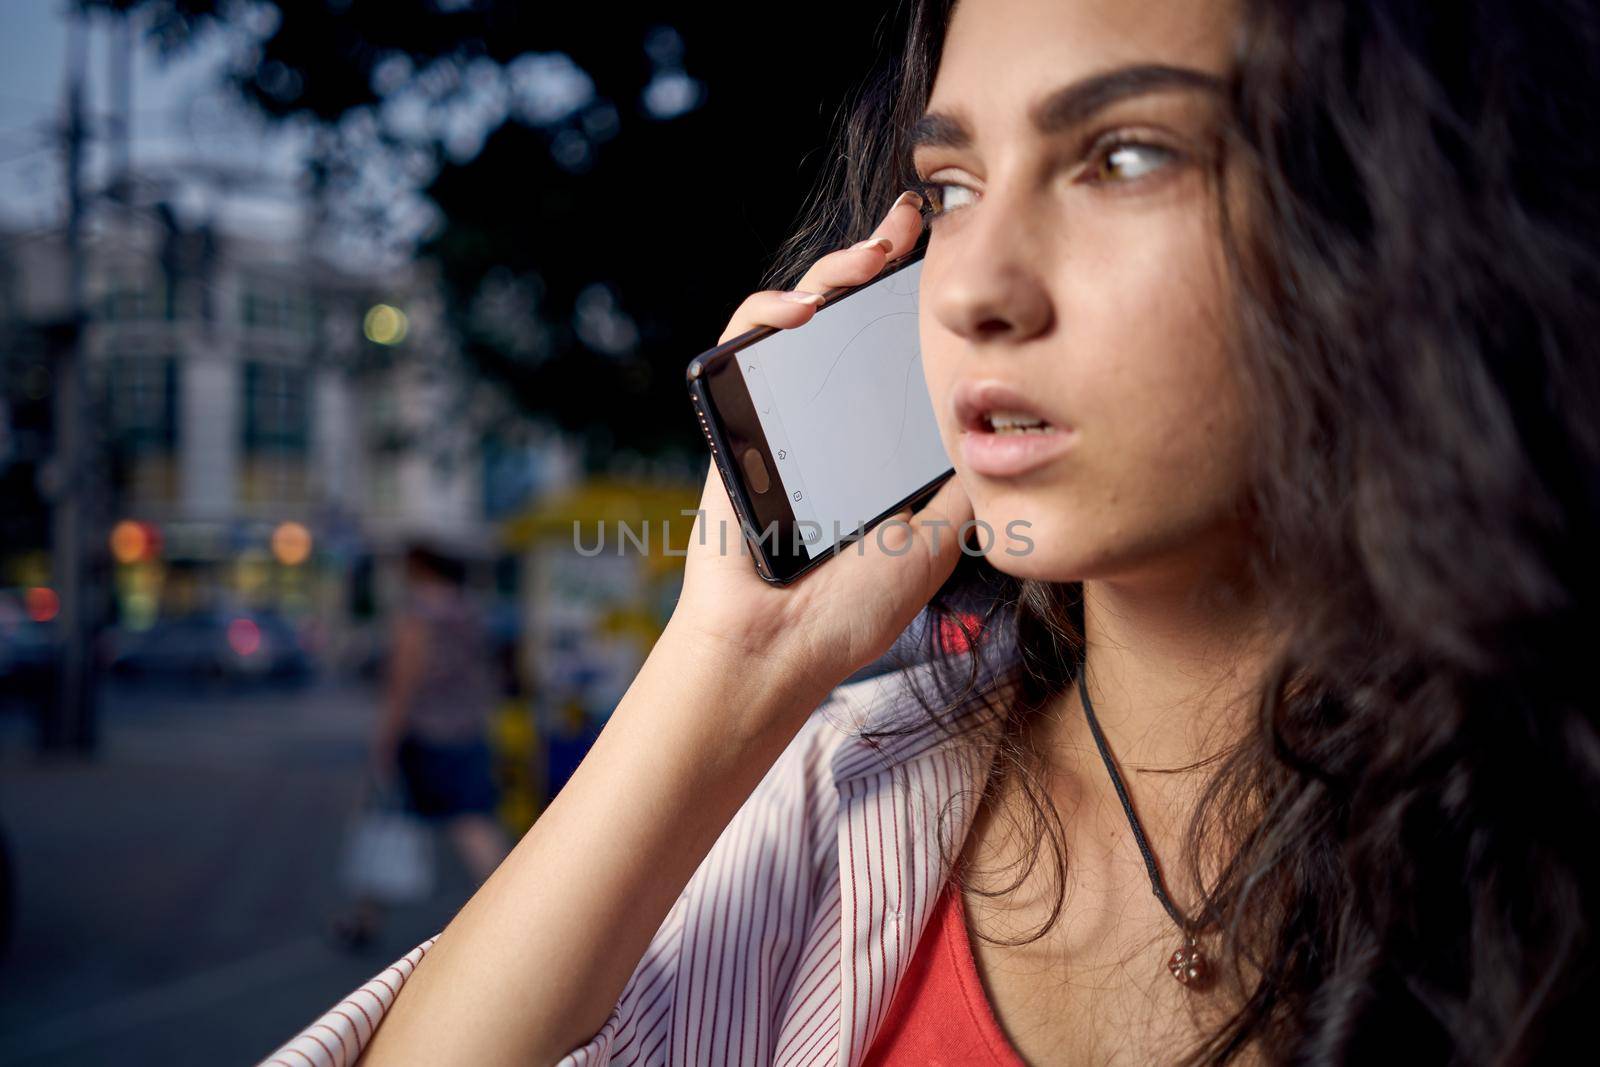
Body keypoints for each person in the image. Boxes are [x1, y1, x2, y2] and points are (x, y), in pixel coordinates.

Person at [266, 0, 1600, 1063]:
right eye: (951, 188)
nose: (977, 289)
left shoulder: (1546, 830)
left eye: (1121, 155)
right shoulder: (842, 799)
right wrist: (732, 659)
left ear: (1399, 218)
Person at [335, 545, 511, 949]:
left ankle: (364, 919)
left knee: (392, 820)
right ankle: (363, 918)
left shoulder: (418, 615)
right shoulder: (470, 610)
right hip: (467, 727)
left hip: (425, 733)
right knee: (470, 820)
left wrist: (385, 737)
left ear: (421, 568)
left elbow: (403, 681)